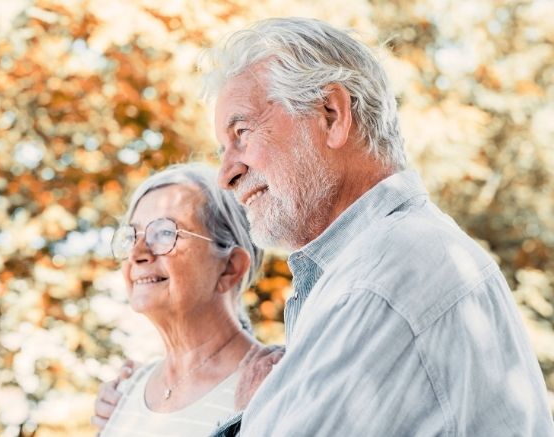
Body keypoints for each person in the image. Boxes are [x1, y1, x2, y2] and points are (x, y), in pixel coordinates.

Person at [201, 17, 554, 435]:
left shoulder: (382, 278)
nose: (225, 174)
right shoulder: (391, 257)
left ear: (331, 115)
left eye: (242, 132)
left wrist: (249, 417)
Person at [94, 163, 275, 436]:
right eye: (132, 235)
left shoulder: (270, 385)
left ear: (229, 268)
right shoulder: (125, 391)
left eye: (165, 232)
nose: (137, 253)